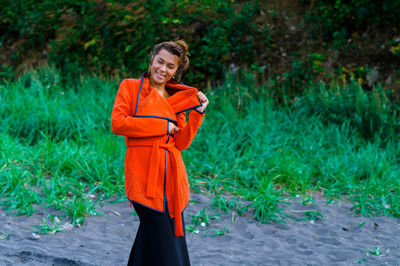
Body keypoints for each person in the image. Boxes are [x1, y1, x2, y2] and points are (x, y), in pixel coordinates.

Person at [111, 40, 209, 266]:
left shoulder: (179, 98)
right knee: (166, 241)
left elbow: (182, 142)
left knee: (155, 239)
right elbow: (119, 124)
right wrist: (161, 127)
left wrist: (198, 113)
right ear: (152, 59)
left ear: (176, 70)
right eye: (160, 62)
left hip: (173, 179)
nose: (163, 69)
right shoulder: (131, 87)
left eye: (170, 66)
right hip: (143, 177)